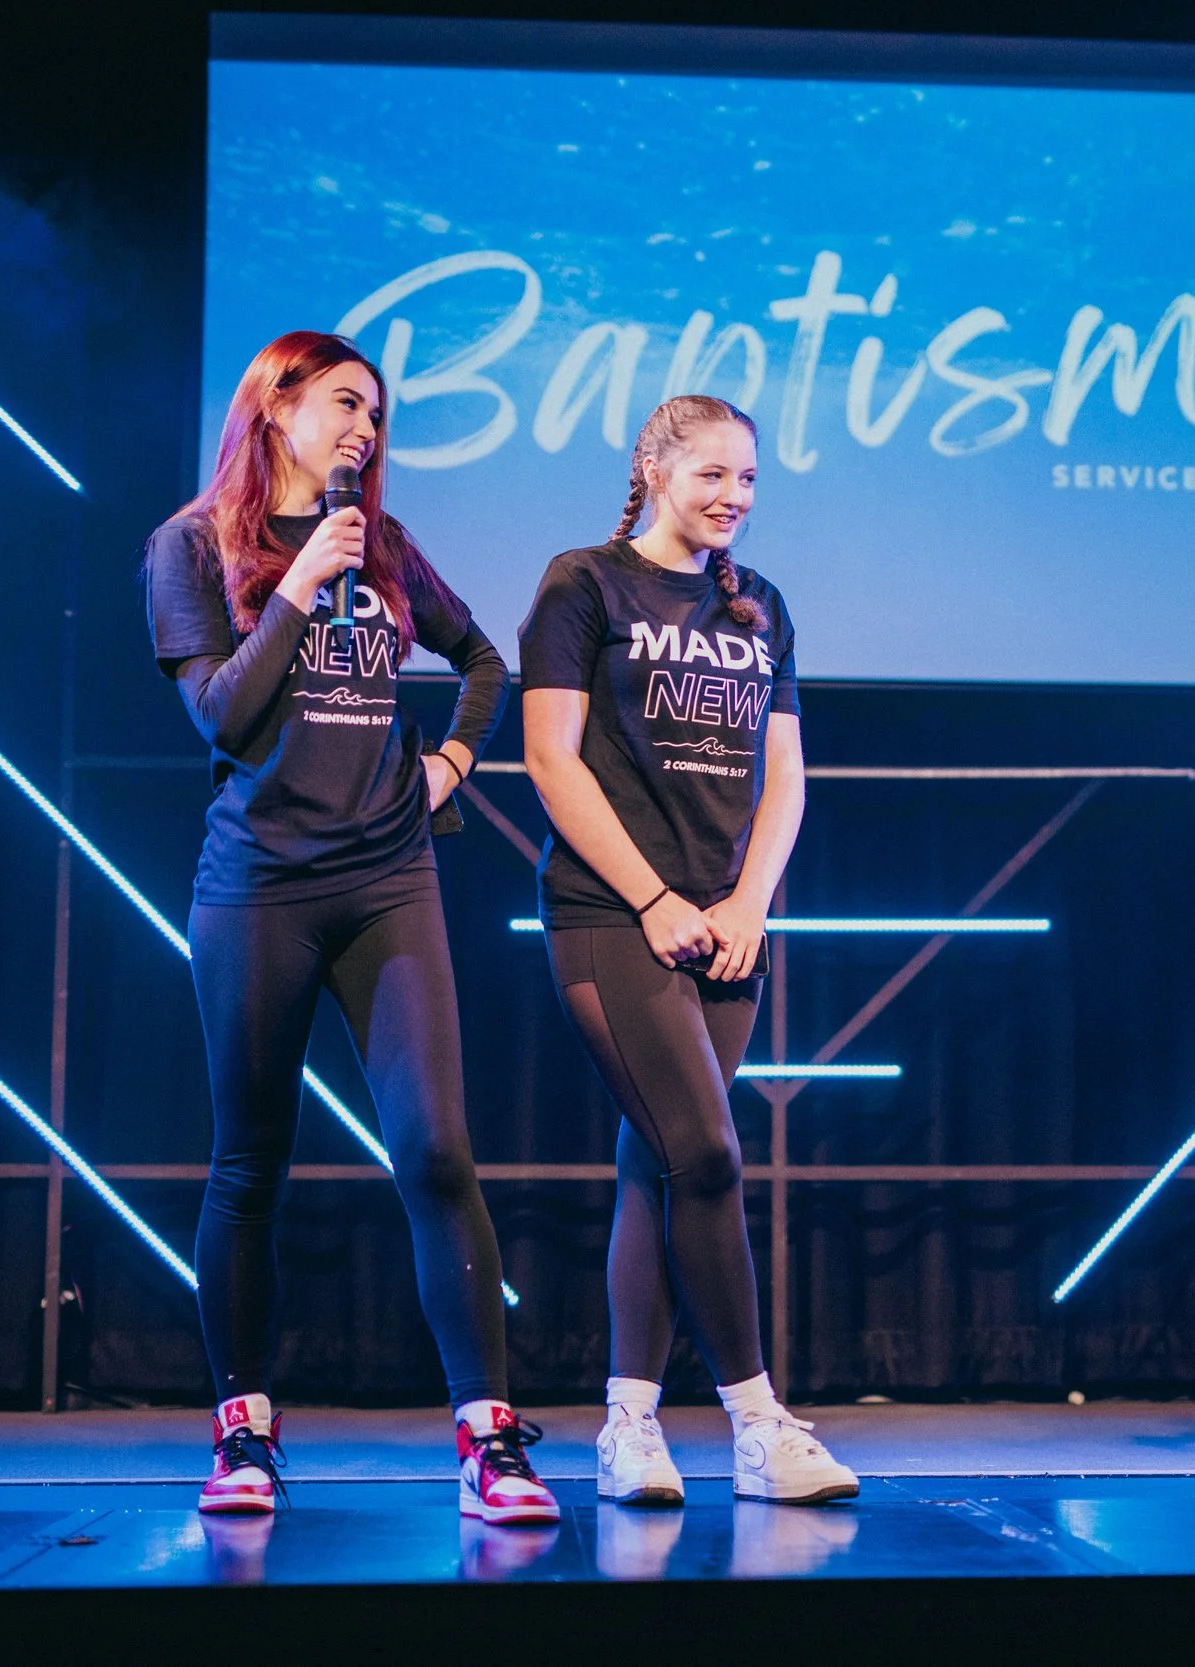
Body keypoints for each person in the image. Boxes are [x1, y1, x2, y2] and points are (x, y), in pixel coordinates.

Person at [143, 329, 557, 1525]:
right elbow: (223, 715)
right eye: (343, 402)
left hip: (389, 875)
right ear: (275, 408)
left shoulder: (381, 546)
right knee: (250, 1161)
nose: (366, 427)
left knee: (435, 1147)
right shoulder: (190, 546)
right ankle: (244, 1431)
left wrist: (450, 765)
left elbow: (483, 656)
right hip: (257, 884)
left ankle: (488, 1439)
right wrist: (296, 583)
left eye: (375, 410)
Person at [520, 394, 857, 1507]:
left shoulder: (760, 604)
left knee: (656, 1162)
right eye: (713, 473)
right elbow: (551, 761)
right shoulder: (582, 582)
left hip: (727, 927)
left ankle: (628, 1427)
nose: (734, 498)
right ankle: (758, 1421)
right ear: (654, 468)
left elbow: (786, 774)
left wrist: (751, 900)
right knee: (706, 1153)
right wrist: (656, 895)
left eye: (750, 479)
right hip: (614, 915)